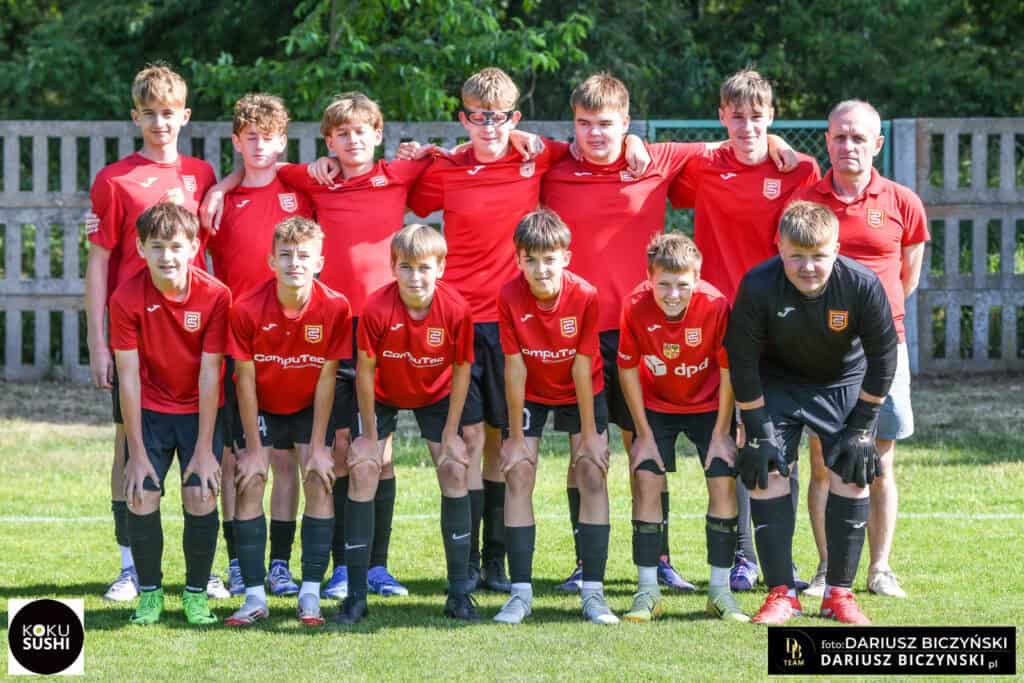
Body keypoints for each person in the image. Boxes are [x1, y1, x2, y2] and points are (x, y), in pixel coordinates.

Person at [540, 71, 796, 593]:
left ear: (627, 123)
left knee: (646, 450)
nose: (595, 133)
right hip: (579, 333)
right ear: (573, 124)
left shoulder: (657, 159)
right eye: (585, 123)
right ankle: (585, 561)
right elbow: (508, 145)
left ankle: (658, 559)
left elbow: (733, 142)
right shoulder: (553, 165)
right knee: (584, 448)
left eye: (607, 123)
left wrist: (775, 141)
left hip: (644, 329)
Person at [409, 67, 650, 593]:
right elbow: (398, 183)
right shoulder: (445, 168)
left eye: (498, 117)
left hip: (511, 321)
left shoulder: (538, 156)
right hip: (460, 320)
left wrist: (632, 140)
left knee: (500, 441)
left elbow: (592, 145)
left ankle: (496, 561)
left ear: (514, 118)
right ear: (463, 118)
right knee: (468, 438)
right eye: (477, 116)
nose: (488, 126)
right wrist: (414, 153)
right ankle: (464, 565)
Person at [203, 92, 433, 600]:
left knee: (376, 451)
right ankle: (306, 565)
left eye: (361, 131)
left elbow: (450, 162)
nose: (352, 141)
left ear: (378, 133)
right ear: (327, 141)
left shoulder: (393, 174)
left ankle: (370, 566)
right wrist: (221, 186)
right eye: (341, 134)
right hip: (308, 330)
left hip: (377, 327)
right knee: (312, 453)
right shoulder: (309, 179)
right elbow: (260, 168)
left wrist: (426, 150)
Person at [668, 68, 820, 591]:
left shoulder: (799, 170)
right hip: (716, 322)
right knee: (732, 440)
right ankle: (743, 556)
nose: (748, 126)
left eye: (758, 117)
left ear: (772, 116)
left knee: (779, 443)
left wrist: (777, 145)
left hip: (779, 323)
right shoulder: (704, 165)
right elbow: (660, 164)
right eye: (737, 117)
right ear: (721, 117)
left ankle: (783, 558)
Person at [725, 200, 897, 624]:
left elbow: (884, 358)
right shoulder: (758, 284)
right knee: (765, 470)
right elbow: (742, 362)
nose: (808, 267)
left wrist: (863, 426)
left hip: (840, 382)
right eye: (796, 256)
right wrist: (757, 427)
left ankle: (839, 594)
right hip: (777, 383)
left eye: (818, 255)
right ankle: (781, 594)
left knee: (853, 471)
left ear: (836, 249)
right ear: (779, 248)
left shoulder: (861, 284)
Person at [87, 63, 218, 603]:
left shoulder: (203, 174)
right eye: (149, 114)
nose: (159, 123)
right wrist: (97, 341)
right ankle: (129, 567)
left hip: (194, 336)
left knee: (207, 446)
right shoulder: (114, 179)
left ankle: (207, 571)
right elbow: (99, 261)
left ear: (184, 116)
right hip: (133, 334)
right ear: (135, 117)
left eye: (168, 113)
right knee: (129, 444)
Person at [793, 100, 928, 599]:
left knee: (879, 461)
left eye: (858, 137)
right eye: (839, 136)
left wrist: (874, 321)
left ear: (877, 144)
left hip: (883, 351)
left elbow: (907, 277)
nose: (848, 145)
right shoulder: (805, 202)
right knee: (824, 463)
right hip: (822, 352)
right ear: (827, 141)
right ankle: (827, 569)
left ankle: (880, 569)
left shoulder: (903, 202)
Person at [338, 224, 477, 624]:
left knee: (454, 468)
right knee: (364, 469)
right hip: (382, 392)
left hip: (436, 393)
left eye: (424, 267)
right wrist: (369, 435)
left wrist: (450, 433)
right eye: (406, 267)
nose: (415, 277)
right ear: (392, 267)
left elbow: (462, 369)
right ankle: (355, 596)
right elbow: (365, 372)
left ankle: (459, 595)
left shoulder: (457, 310)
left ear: (441, 268)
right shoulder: (376, 308)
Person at [206, 93, 315, 598]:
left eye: (268, 138)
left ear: (283, 142)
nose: (259, 146)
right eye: (250, 137)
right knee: (238, 458)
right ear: (236, 142)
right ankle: (238, 561)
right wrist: (220, 187)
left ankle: (279, 563)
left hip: (293, 343)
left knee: (286, 459)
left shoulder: (300, 190)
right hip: (239, 343)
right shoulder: (219, 201)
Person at [224, 216, 352, 627]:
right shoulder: (246, 308)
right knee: (250, 479)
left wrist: (319, 446)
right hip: (261, 405)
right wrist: (253, 448)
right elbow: (244, 381)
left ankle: (310, 593)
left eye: (303, 255)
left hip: (308, 405)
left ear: (319, 263)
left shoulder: (335, 306)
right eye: (285, 255)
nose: (294, 262)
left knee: (319, 476)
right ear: (271, 261)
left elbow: (328, 379)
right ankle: (254, 597)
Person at [109, 202, 231, 625]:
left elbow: (211, 373)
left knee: (201, 493)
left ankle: (196, 595)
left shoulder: (216, 295)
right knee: (141, 492)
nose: (167, 256)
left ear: (195, 247)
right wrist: (136, 453)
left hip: (200, 411)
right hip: (150, 410)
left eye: (176, 246)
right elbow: (128, 378)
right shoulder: (125, 298)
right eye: (157, 246)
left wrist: (205, 449)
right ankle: (150, 595)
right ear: (140, 248)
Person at [494, 207, 615, 625]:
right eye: (531, 259)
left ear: (566, 257)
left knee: (592, 471)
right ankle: (520, 594)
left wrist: (590, 434)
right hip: (531, 389)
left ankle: (593, 593)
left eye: (549, 259)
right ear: (518, 259)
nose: (541, 268)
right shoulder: (508, 296)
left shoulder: (585, 295)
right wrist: (514, 437)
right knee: (518, 472)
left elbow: (583, 366)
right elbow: (515, 368)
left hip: (580, 388)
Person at [617, 233, 747, 623]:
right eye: (664, 284)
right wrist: (642, 434)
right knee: (645, 481)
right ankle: (647, 592)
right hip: (656, 405)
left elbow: (729, 369)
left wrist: (722, 432)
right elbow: (627, 368)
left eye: (682, 285)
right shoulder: (634, 306)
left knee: (723, 481)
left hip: (709, 405)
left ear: (697, 278)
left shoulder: (716, 305)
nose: (673, 295)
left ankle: (720, 593)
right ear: (649, 278)